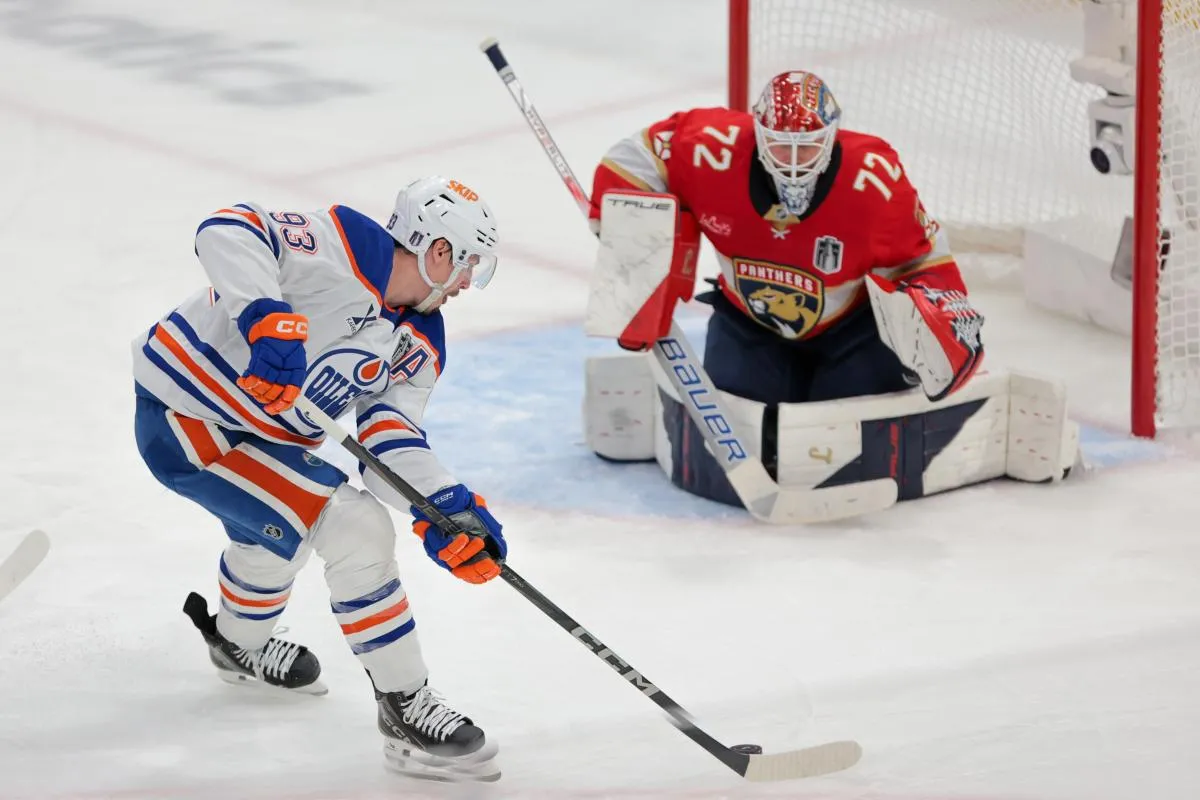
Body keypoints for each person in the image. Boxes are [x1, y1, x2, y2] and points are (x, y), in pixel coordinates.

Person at [131, 176, 505, 782]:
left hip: (269, 438)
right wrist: (265, 314)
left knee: (274, 537)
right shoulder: (342, 244)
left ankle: (237, 646)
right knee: (353, 527)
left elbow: (389, 440)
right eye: (469, 265)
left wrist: (445, 505)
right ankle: (403, 707)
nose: (467, 284)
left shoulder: (420, 341)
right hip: (188, 418)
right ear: (438, 250)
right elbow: (227, 228)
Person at [581, 71, 1046, 507]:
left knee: (844, 432)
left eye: (808, 148)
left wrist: (938, 309)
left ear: (832, 138)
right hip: (749, 321)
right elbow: (633, 157)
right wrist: (626, 224)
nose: (796, 163)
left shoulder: (873, 177)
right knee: (744, 413)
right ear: (758, 135)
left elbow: (926, 256)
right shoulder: (712, 148)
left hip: (852, 330)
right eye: (782, 148)